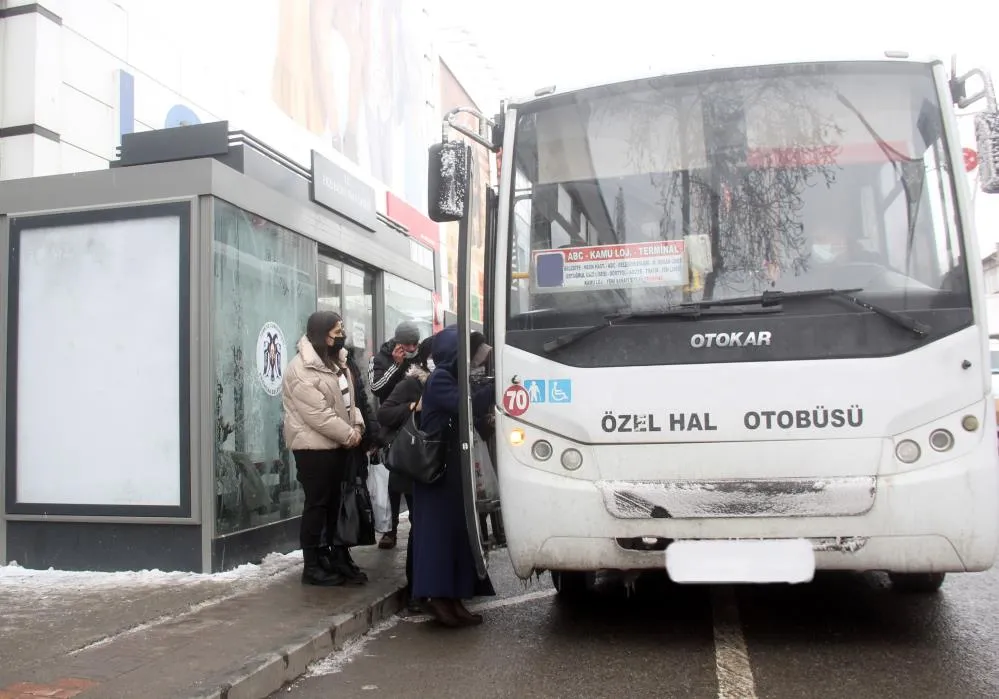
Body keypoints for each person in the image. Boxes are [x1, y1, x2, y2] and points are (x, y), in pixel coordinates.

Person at [411, 325, 496, 628]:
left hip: (451, 472)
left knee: (458, 534)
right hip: (437, 474)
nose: (472, 360)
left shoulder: (451, 378)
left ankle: (455, 597)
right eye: (467, 354)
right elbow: (466, 405)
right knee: (437, 537)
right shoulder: (441, 380)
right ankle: (436, 597)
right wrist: (497, 386)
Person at [282, 311, 367, 587]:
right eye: (336, 331)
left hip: (337, 446)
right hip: (313, 450)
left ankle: (328, 556)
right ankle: (312, 565)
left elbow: (349, 402)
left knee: (333, 505)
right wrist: (350, 436)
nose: (341, 335)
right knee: (317, 505)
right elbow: (318, 415)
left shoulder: (336, 363)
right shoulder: (301, 369)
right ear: (321, 334)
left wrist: (358, 426)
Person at [376, 335, 434, 611]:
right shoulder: (412, 383)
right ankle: (416, 592)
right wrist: (414, 406)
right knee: (419, 526)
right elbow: (384, 414)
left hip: (426, 466)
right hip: (412, 465)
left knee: (423, 526)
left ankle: (423, 591)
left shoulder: (438, 382)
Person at [369, 320, 422, 549]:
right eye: (408, 344)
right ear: (398, 343)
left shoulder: (419, 358)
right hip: (391, 426)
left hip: (414, 425)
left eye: (415, 344)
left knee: (412, 476)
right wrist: (396, 366)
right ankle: (389, 529)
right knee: (392, 480)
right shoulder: (380, 359)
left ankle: (416, 524)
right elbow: (377, 388)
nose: (412, 348)